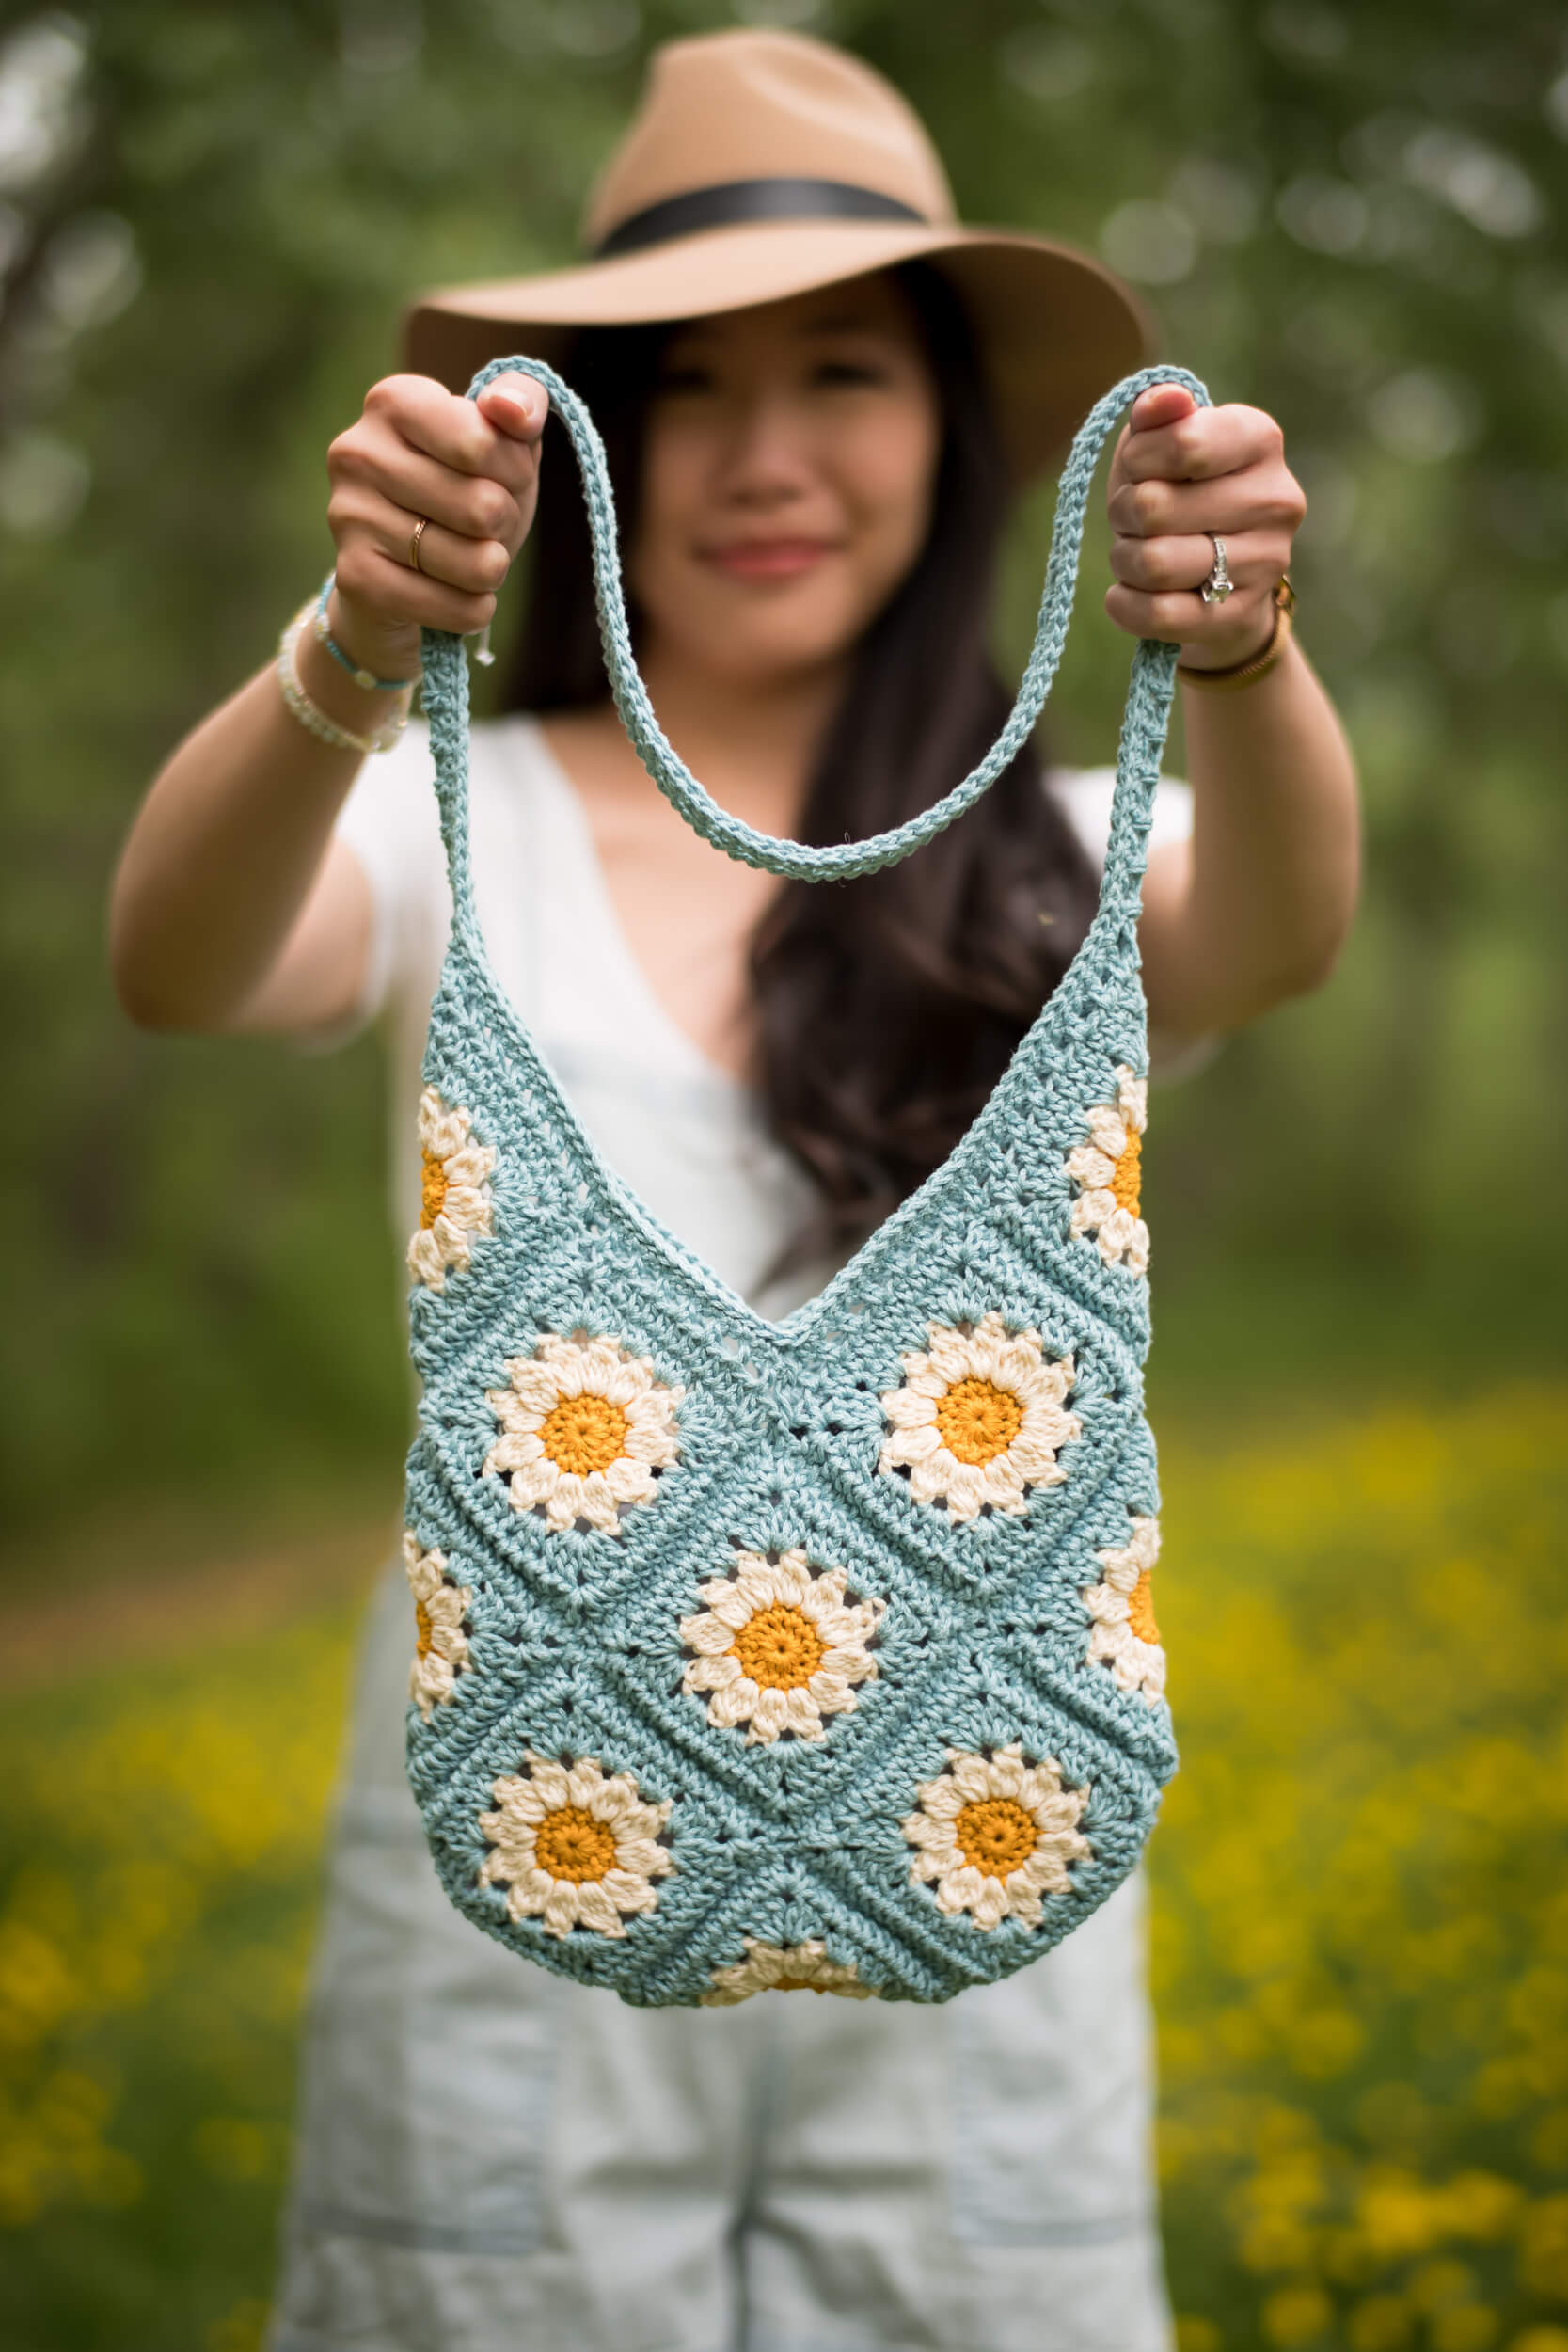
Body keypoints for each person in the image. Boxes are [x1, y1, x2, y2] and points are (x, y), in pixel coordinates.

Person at [109, 28, 1358, 2352]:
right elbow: (179, 962)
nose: (769, 456)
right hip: (523, 1799)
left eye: (849, 374)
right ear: (586, 433)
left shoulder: (1061, 844)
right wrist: (352, 647)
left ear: (956, 432)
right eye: (692, 386)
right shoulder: (436, 798)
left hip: (994, 1795)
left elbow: (1280, 922)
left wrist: (1248, 655)